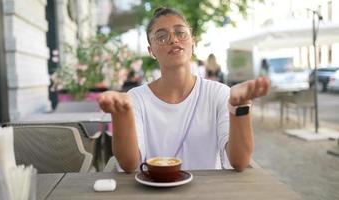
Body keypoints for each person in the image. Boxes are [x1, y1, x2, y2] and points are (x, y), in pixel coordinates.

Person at [97, 7, 270, 172]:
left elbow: (240, 162)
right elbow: (129, 164)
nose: (174, 39)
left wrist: (239, 107)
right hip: (155, 191)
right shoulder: (136, 98)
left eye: (180, 32)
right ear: (151, 51)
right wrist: (121, 115)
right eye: (162, 37)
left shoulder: (219, 94)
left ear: (193, 42)